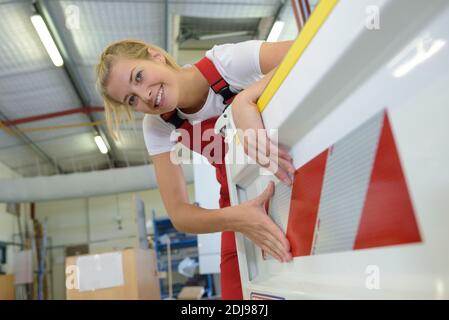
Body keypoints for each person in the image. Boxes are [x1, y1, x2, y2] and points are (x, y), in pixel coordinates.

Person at [96, 38, 295, 299]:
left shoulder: (226, 64)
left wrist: (244, 100)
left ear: (155, 56)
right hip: (238, 204)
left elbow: (309, 46)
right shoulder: (158, 125)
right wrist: (238, 218)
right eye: (131, 99)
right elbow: (179, 213)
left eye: (139, 76)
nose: (145, 96)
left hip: (285, 175)